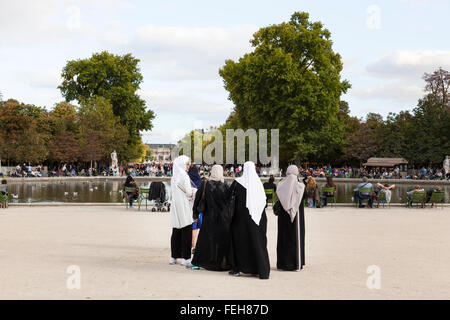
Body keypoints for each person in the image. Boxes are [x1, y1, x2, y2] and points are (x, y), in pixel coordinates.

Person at [228, 161, 270, 279]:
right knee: (258, 243)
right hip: (258, 219)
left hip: (240, 219)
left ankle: (239, 268)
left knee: (241, 243)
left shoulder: (238, 183)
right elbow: (264, 203)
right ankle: (261, 270)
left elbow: (228, 198)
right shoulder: (258, 184)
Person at [191, 165, 231, 271]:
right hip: (223, 218)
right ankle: (222, 263)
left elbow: (197, 200)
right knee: (222, 240)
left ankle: (201, 262)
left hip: (209, 217)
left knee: (206, 240)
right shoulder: (225, 186)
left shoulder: (206, 185)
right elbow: (230, 202)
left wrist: (195, 214)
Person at [274, 165, 306, 271]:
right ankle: (295, 263)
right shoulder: (300, 186)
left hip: (283, 217)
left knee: (283, 238)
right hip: (296, 216)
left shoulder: (281, 185)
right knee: (295, 238)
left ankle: (283, 263)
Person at [169, 155, 194, 267]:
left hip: (175, 204)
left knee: (176, 231)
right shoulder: (184, 176)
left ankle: (174, 257)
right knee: (187, 230)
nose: (189, 166)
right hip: (184, 204)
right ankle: (186, 258)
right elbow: (188, 192)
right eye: (187, 163)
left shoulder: (174, 176)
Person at [188, 165, 203, 254]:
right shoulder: (200, 181)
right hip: (197, 207)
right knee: (195, 227)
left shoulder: (186, 179)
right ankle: (194, 246)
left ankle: (190, 245)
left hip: (187, 206)